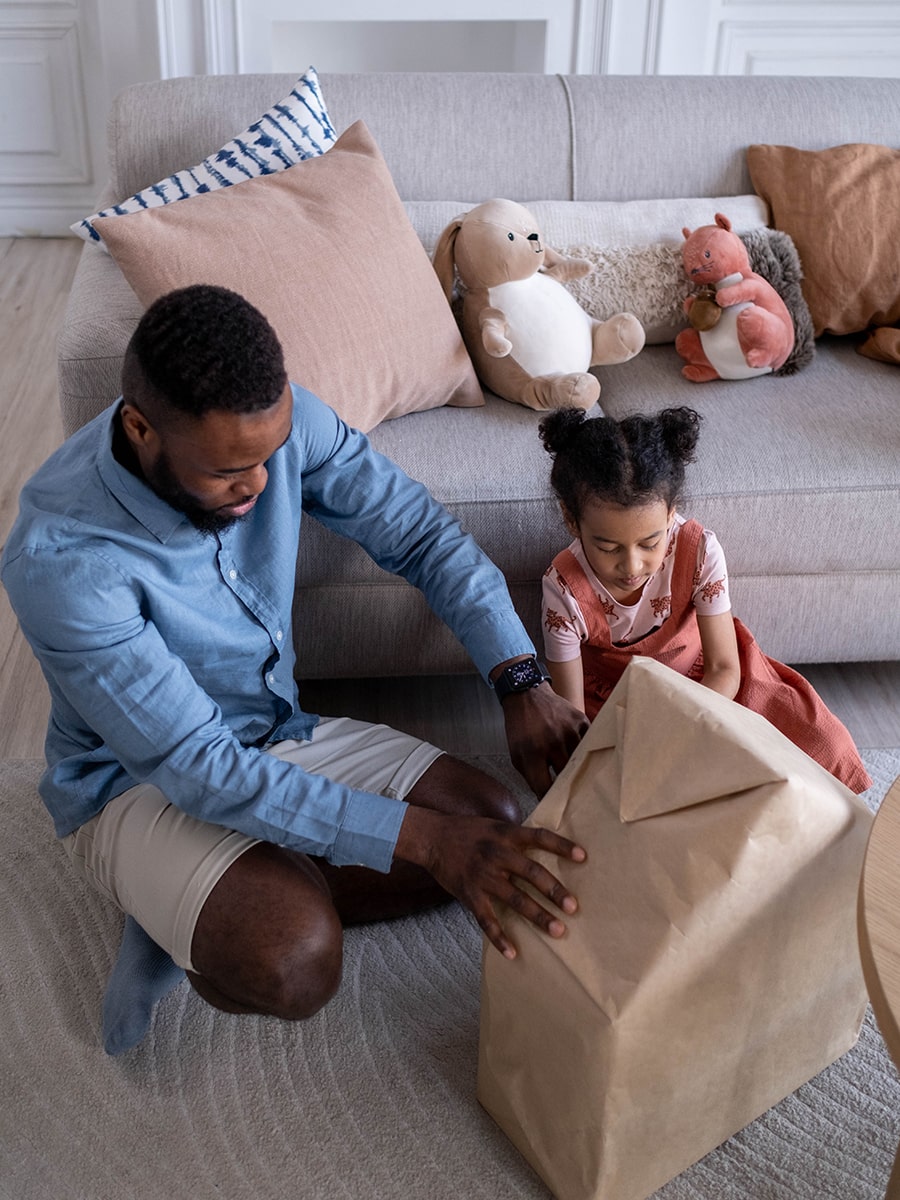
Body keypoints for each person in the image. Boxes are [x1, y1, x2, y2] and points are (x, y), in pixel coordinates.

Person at [1, 284, 590, 1055]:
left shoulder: (276, 427)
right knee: (295, 958)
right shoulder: (63, 563)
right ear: (141, 428)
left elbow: (419, 533)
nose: (260, 483)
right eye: (228, 471)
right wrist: (422, 843)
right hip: (137, 783)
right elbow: (199, 769)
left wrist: (520, 680)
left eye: (270, 454)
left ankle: (233, 882)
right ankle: (182, 909)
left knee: (494, 825)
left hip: (273, 730)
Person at [538, 404, 872, 794]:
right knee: (626, 790)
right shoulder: (562, 588)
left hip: (710, 685)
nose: (632, 564)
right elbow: (572, 714)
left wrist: (681, 728)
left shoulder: (699, 552)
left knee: (821, 748)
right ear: (570, 519)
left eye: (650, 543)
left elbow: (725, 669)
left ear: (670, 515)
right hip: (618, 702)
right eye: (607, 546)